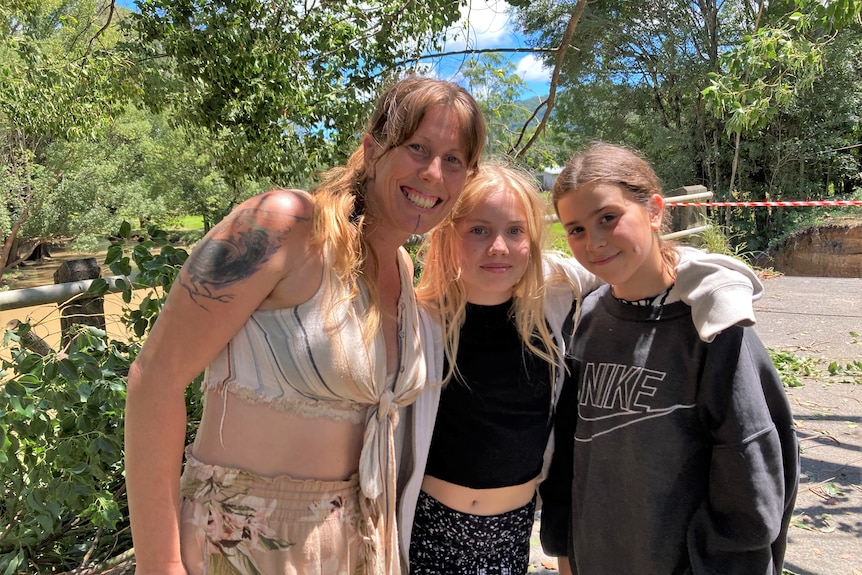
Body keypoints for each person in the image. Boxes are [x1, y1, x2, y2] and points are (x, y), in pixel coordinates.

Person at [124, 76, 486, 575]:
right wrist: (159, 563)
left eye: (453, 160)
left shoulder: (403, 273)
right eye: (417, 147)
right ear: (372, 148)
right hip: (239, 545)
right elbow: (154, 379)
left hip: (354, 546)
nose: (432, 172)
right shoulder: (285, 226)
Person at [396, 162, 769, 574]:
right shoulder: (419, 320)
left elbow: (655, 263)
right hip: (427, 528)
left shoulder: (554, 298)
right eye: (479, 230)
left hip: (511, 532)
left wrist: (720, 289)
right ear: (449, 236)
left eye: (516, 230)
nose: (499, 247)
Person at [539, 142, 799, 575]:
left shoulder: (713, 326)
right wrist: (566, 551)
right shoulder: (584, 320)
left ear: (655, 211)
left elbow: (751, 478)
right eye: (576, 229)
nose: (594, 241)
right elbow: (568, 454)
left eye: (608, 218)